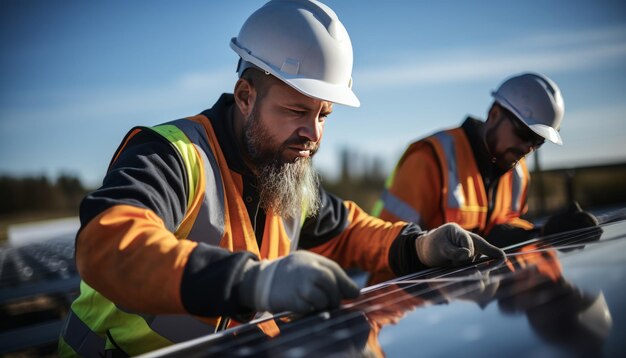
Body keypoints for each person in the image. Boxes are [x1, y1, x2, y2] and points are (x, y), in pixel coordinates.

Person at [57, 1, 504, 356]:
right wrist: (251, 282)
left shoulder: (282, 170)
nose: (313, 135)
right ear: (246, 96)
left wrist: (419, 246)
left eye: (323, 115)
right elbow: (107, 244)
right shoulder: (172, 153)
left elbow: (348, 230)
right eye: (296, 110)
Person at [372, 72, 598, 248]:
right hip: (402, 301)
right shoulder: (430, 159)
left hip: (469, 297)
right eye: (524, 134)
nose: (528, 148)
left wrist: (541, 233)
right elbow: (388, 244)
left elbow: (502, 227)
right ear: (495, 114)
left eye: (538, 142)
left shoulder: (517, 172)